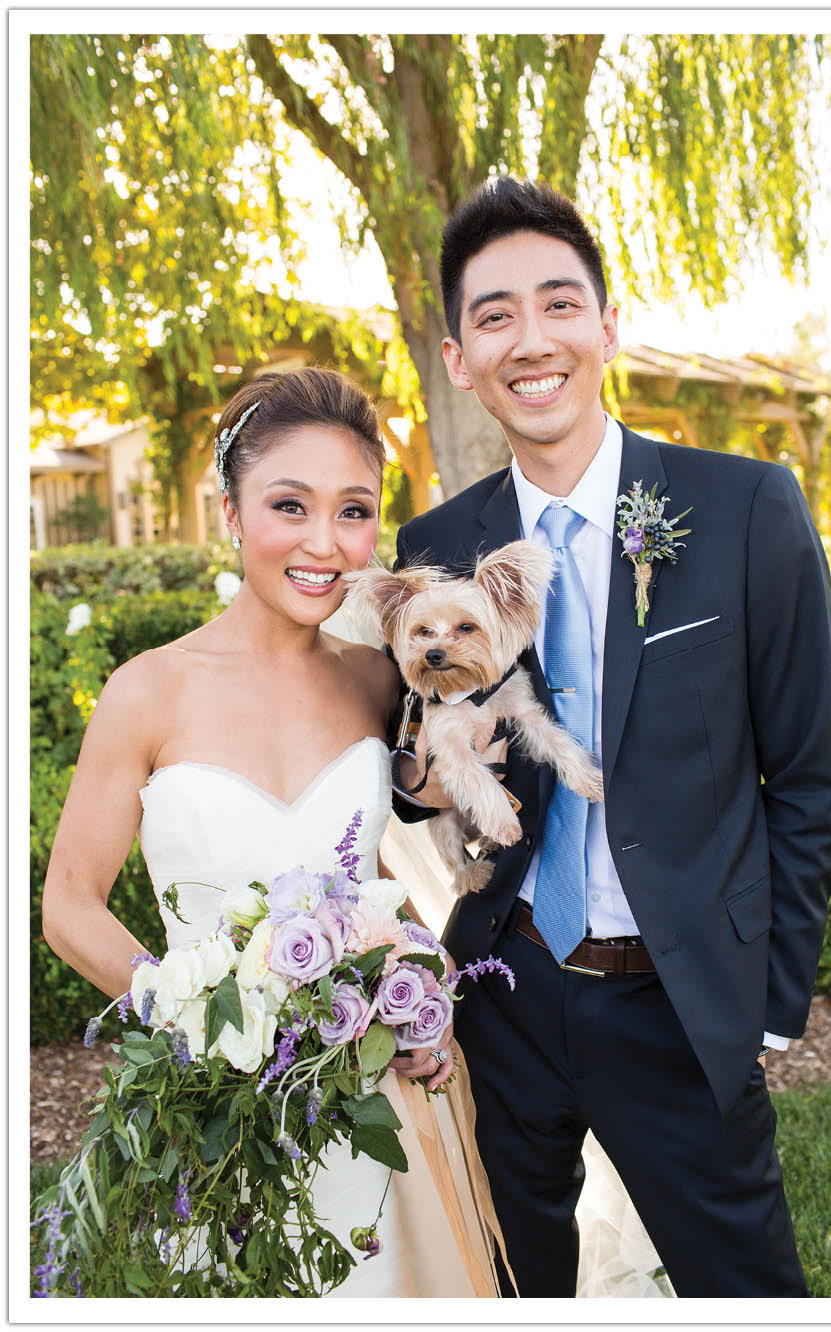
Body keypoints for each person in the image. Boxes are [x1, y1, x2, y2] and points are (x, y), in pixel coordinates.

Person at [392, 177, 831, 1298]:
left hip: (679, 1001)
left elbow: (801, 774)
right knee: (520, 1286)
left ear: (605, 325)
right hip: (505, 991)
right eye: (494, 316)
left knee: (747, 1290)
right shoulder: (441, 539)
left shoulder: (746, 508)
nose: (530, 340)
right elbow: (408, 770)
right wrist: (430, 774)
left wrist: (769, 1009)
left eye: (559, 303)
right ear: (459, 358)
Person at [40, 367, 507, 1299]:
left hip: (379, 1098)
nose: (324, 545)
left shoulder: (380, 680)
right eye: (289, 505)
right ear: (228, 510)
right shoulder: (148, 691)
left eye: (354, 511)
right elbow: (67, 905)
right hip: (221, 1107)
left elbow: (370, 865)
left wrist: (418, 985)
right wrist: (187, 1017)